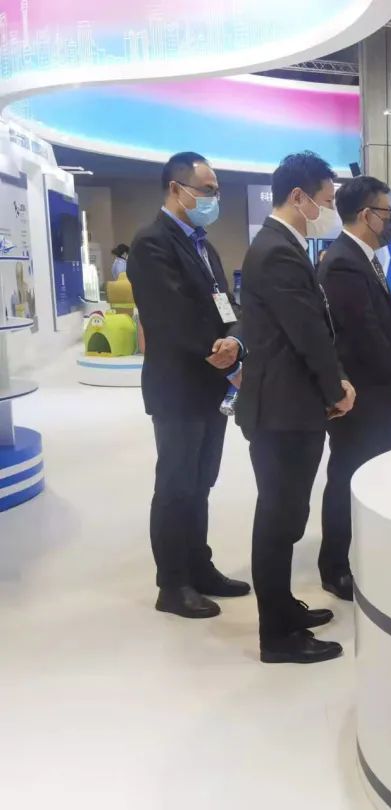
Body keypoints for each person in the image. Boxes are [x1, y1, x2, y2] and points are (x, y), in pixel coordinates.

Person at [236, 152, 356, 665]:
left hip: (288, 405)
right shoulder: (278, 252)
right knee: (278, 519)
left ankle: (284, 608)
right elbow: (307, 332)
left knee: (285, 516)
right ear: (298, 196)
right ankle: (277, 636)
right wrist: (336, 388)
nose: (329, 210)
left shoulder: (282, 245)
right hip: (282, 410)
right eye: (326, 200)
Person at [127, 151, 250, 620]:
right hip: (178, 386)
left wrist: (235, 340)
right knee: (176, 485)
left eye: (216, 190)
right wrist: (218, 353)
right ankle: (172, 583)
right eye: (207, 190)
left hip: (211, 385)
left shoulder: (203, 245)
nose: (214, 198)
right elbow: (170, 315)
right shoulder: (151, 243)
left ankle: (200, 567)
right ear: (177, 189)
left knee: (201, 482)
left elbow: (226, 303)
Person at [318, 177, 391, 601]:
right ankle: (335, 567)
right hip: (359, 395)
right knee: (348, 476)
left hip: (373, 391)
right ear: (366, 215)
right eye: (387, 212)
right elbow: (359, 334)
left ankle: (359, 554)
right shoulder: (344, 262)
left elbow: (379, 323)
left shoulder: (364, 257)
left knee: (367, 475)